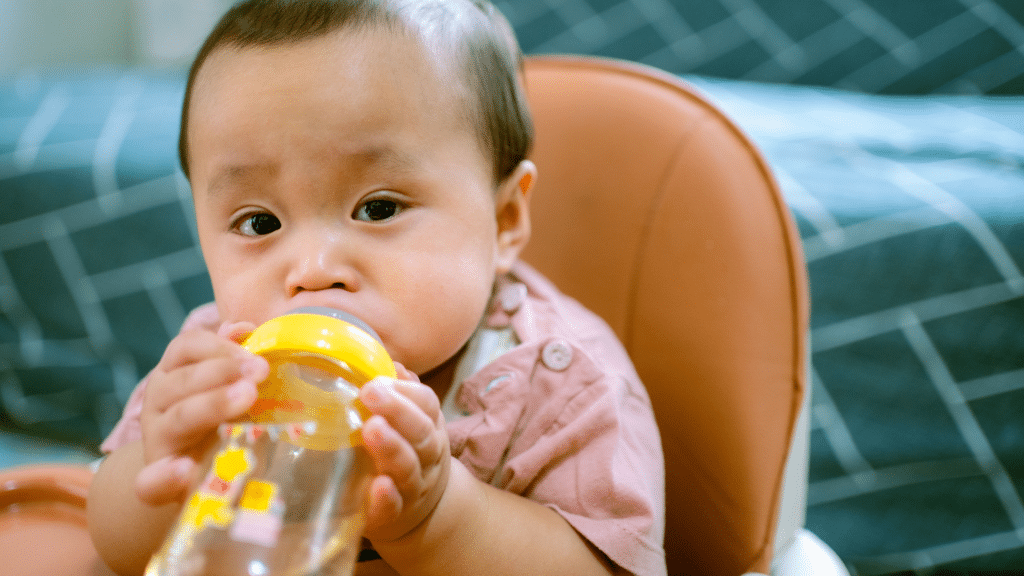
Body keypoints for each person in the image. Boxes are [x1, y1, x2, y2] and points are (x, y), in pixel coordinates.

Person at [87, 1, 666, 574]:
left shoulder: (565, 384)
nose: (312, 270)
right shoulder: (222, 367)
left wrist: (439, 519)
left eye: (379, 207)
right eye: (259, 223)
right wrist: (164, 465)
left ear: (506, 218)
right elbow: (115, 545)